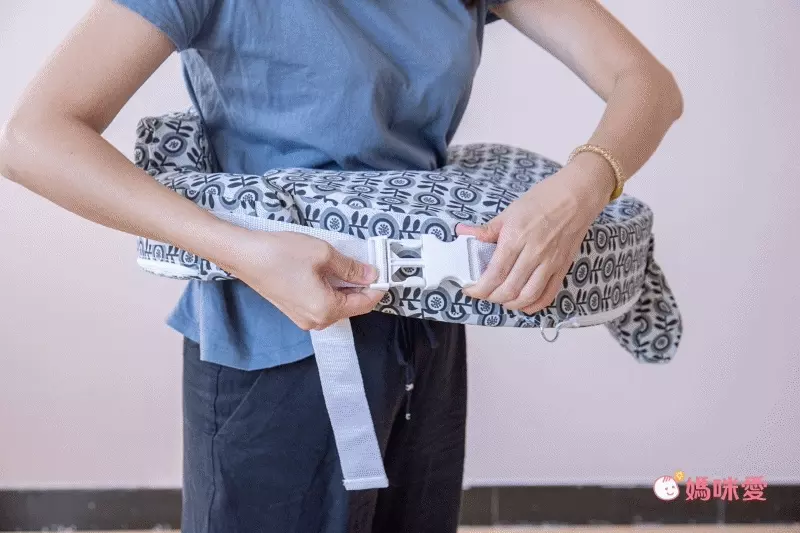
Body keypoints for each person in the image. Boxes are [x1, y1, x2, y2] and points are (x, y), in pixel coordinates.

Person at [0, 0, 683, 531]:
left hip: (427, 323)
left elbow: (647, 84)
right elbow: (34, 137)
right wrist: (241, 250)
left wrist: (580, 188)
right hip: (274, 336)